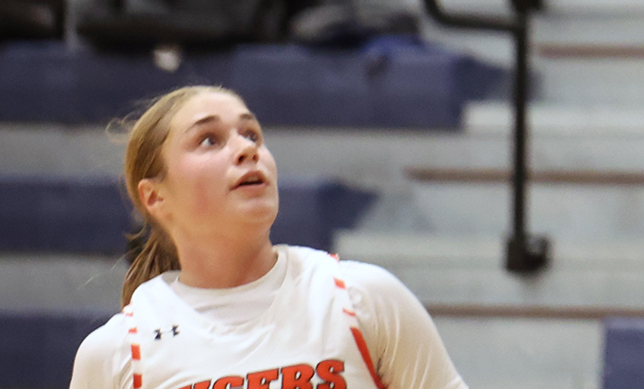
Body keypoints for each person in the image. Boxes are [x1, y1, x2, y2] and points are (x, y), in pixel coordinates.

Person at [68, 86, 468, 389]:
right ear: (155, 196)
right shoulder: (117, 353)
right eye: (210, 139)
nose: (246, 149)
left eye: (252, 135)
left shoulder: (363, 297)